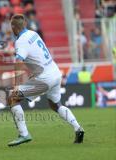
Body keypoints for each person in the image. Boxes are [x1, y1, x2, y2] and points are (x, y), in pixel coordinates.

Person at [7, 14, 84, 146]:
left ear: (13, 27)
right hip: (55, 72)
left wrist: (16, 85)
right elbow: (38, 55)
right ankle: (78, 128)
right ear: (24, 24)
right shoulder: (33, 33)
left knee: (12, 97)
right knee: (55, 104)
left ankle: (24, 134)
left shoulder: (20, 42)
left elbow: (18, 63)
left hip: (44, 79)